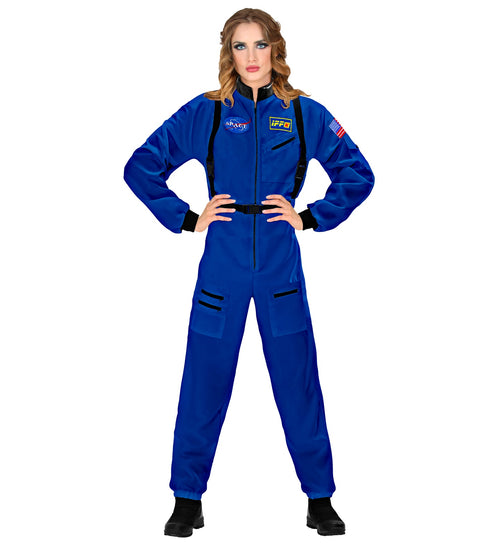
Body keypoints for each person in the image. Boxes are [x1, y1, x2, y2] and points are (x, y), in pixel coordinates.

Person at [124, 8, 374, 537]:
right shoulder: (208, 111)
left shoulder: (304, 113)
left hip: (281, 264)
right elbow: (140, 165)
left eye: (260, 44)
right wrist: (187, 217)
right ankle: (187, 498)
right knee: (204, 379)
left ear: (275, 48)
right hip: (223, 263)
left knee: (298, 380)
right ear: (228, 53)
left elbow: (358, 173)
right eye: (240, 46)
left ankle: (320, 498)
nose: (252, 56)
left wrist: (312, 217)